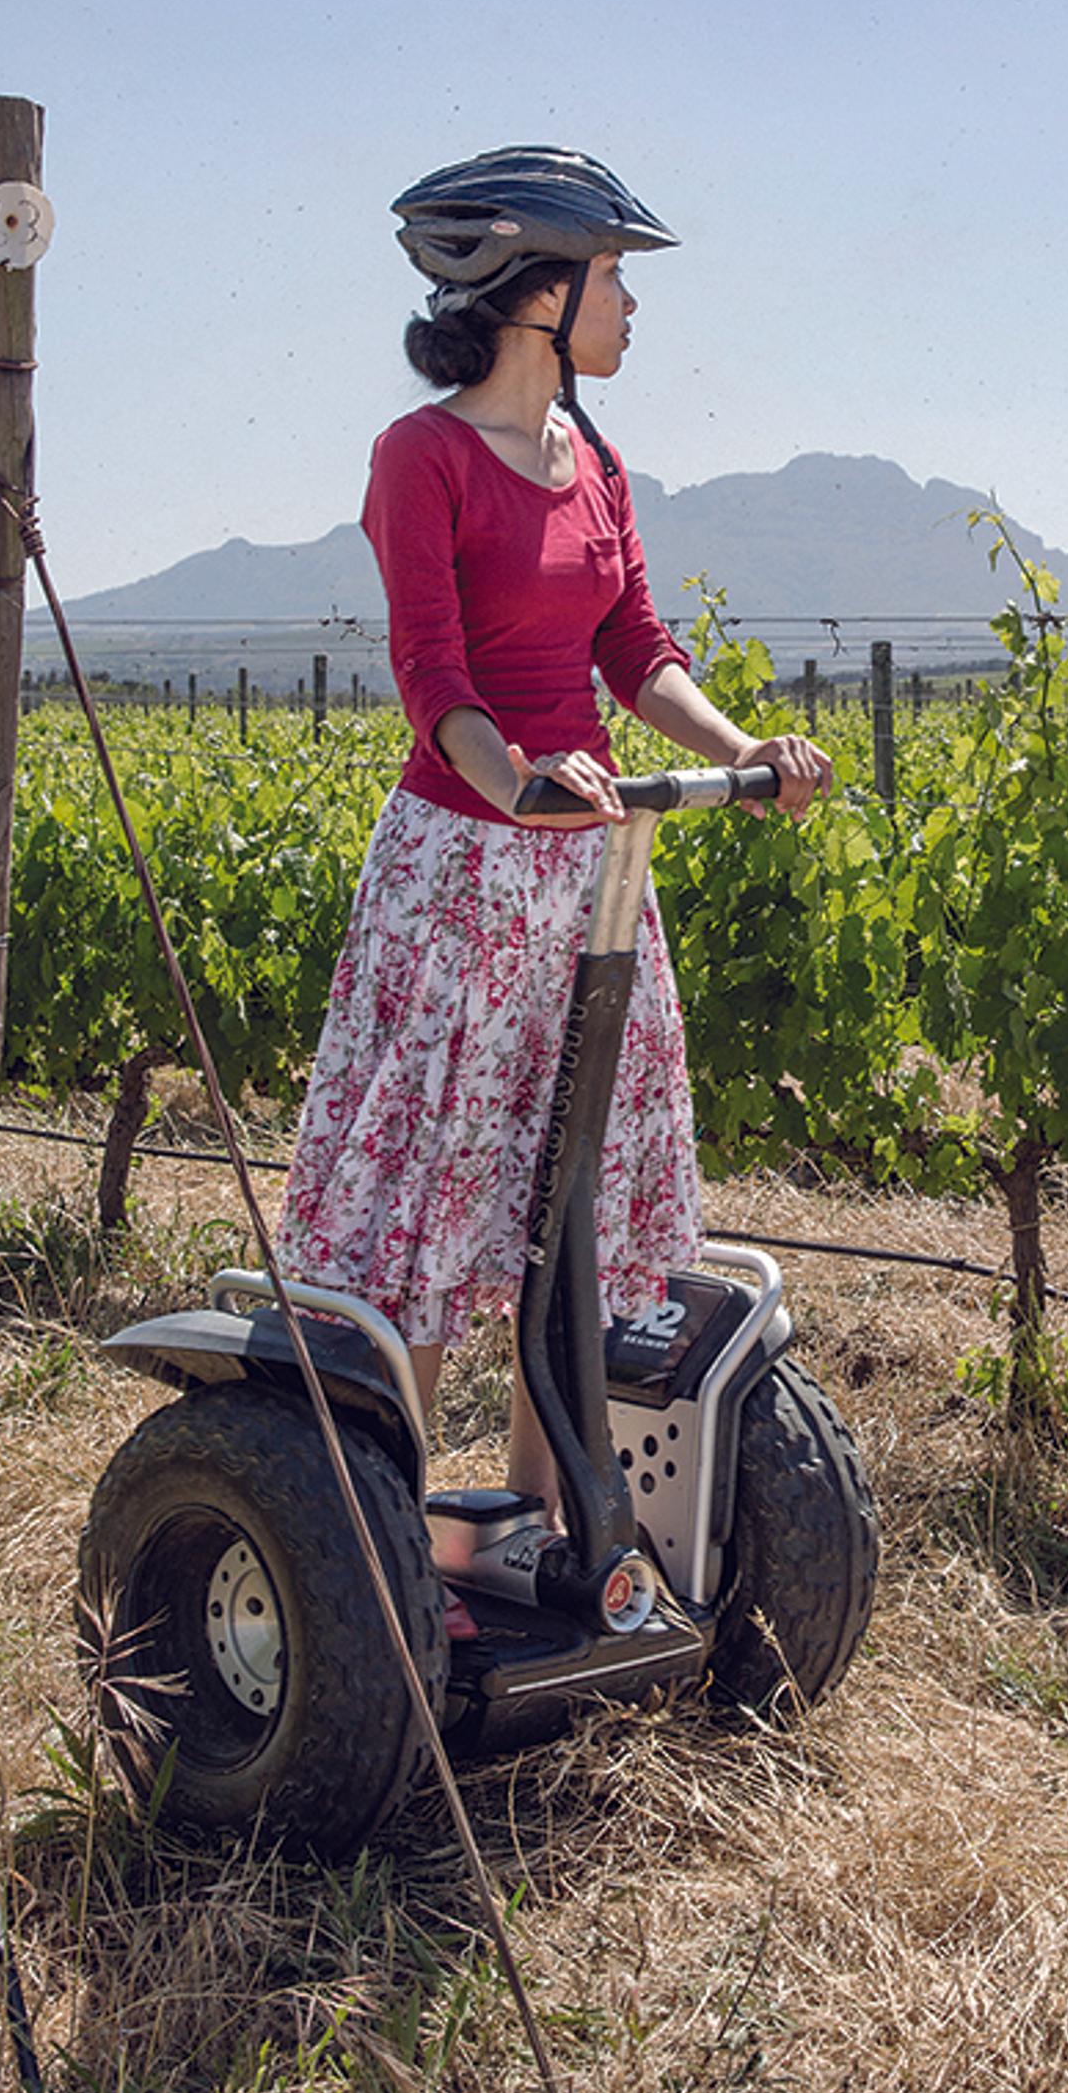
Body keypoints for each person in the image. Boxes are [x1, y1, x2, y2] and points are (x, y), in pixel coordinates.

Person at [276, 146, 832, 1531]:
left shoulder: (600, 463)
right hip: (463, 874)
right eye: (616, 279)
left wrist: (742, 750)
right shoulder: (422, 458)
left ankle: (543, 1537)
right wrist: (515, 777)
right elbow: (435, 676)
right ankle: (379, 1544)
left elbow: (637, 649)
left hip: (587, 873)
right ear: (539, 292)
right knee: (424, 1207)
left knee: (563, 1219)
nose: (631, 308)